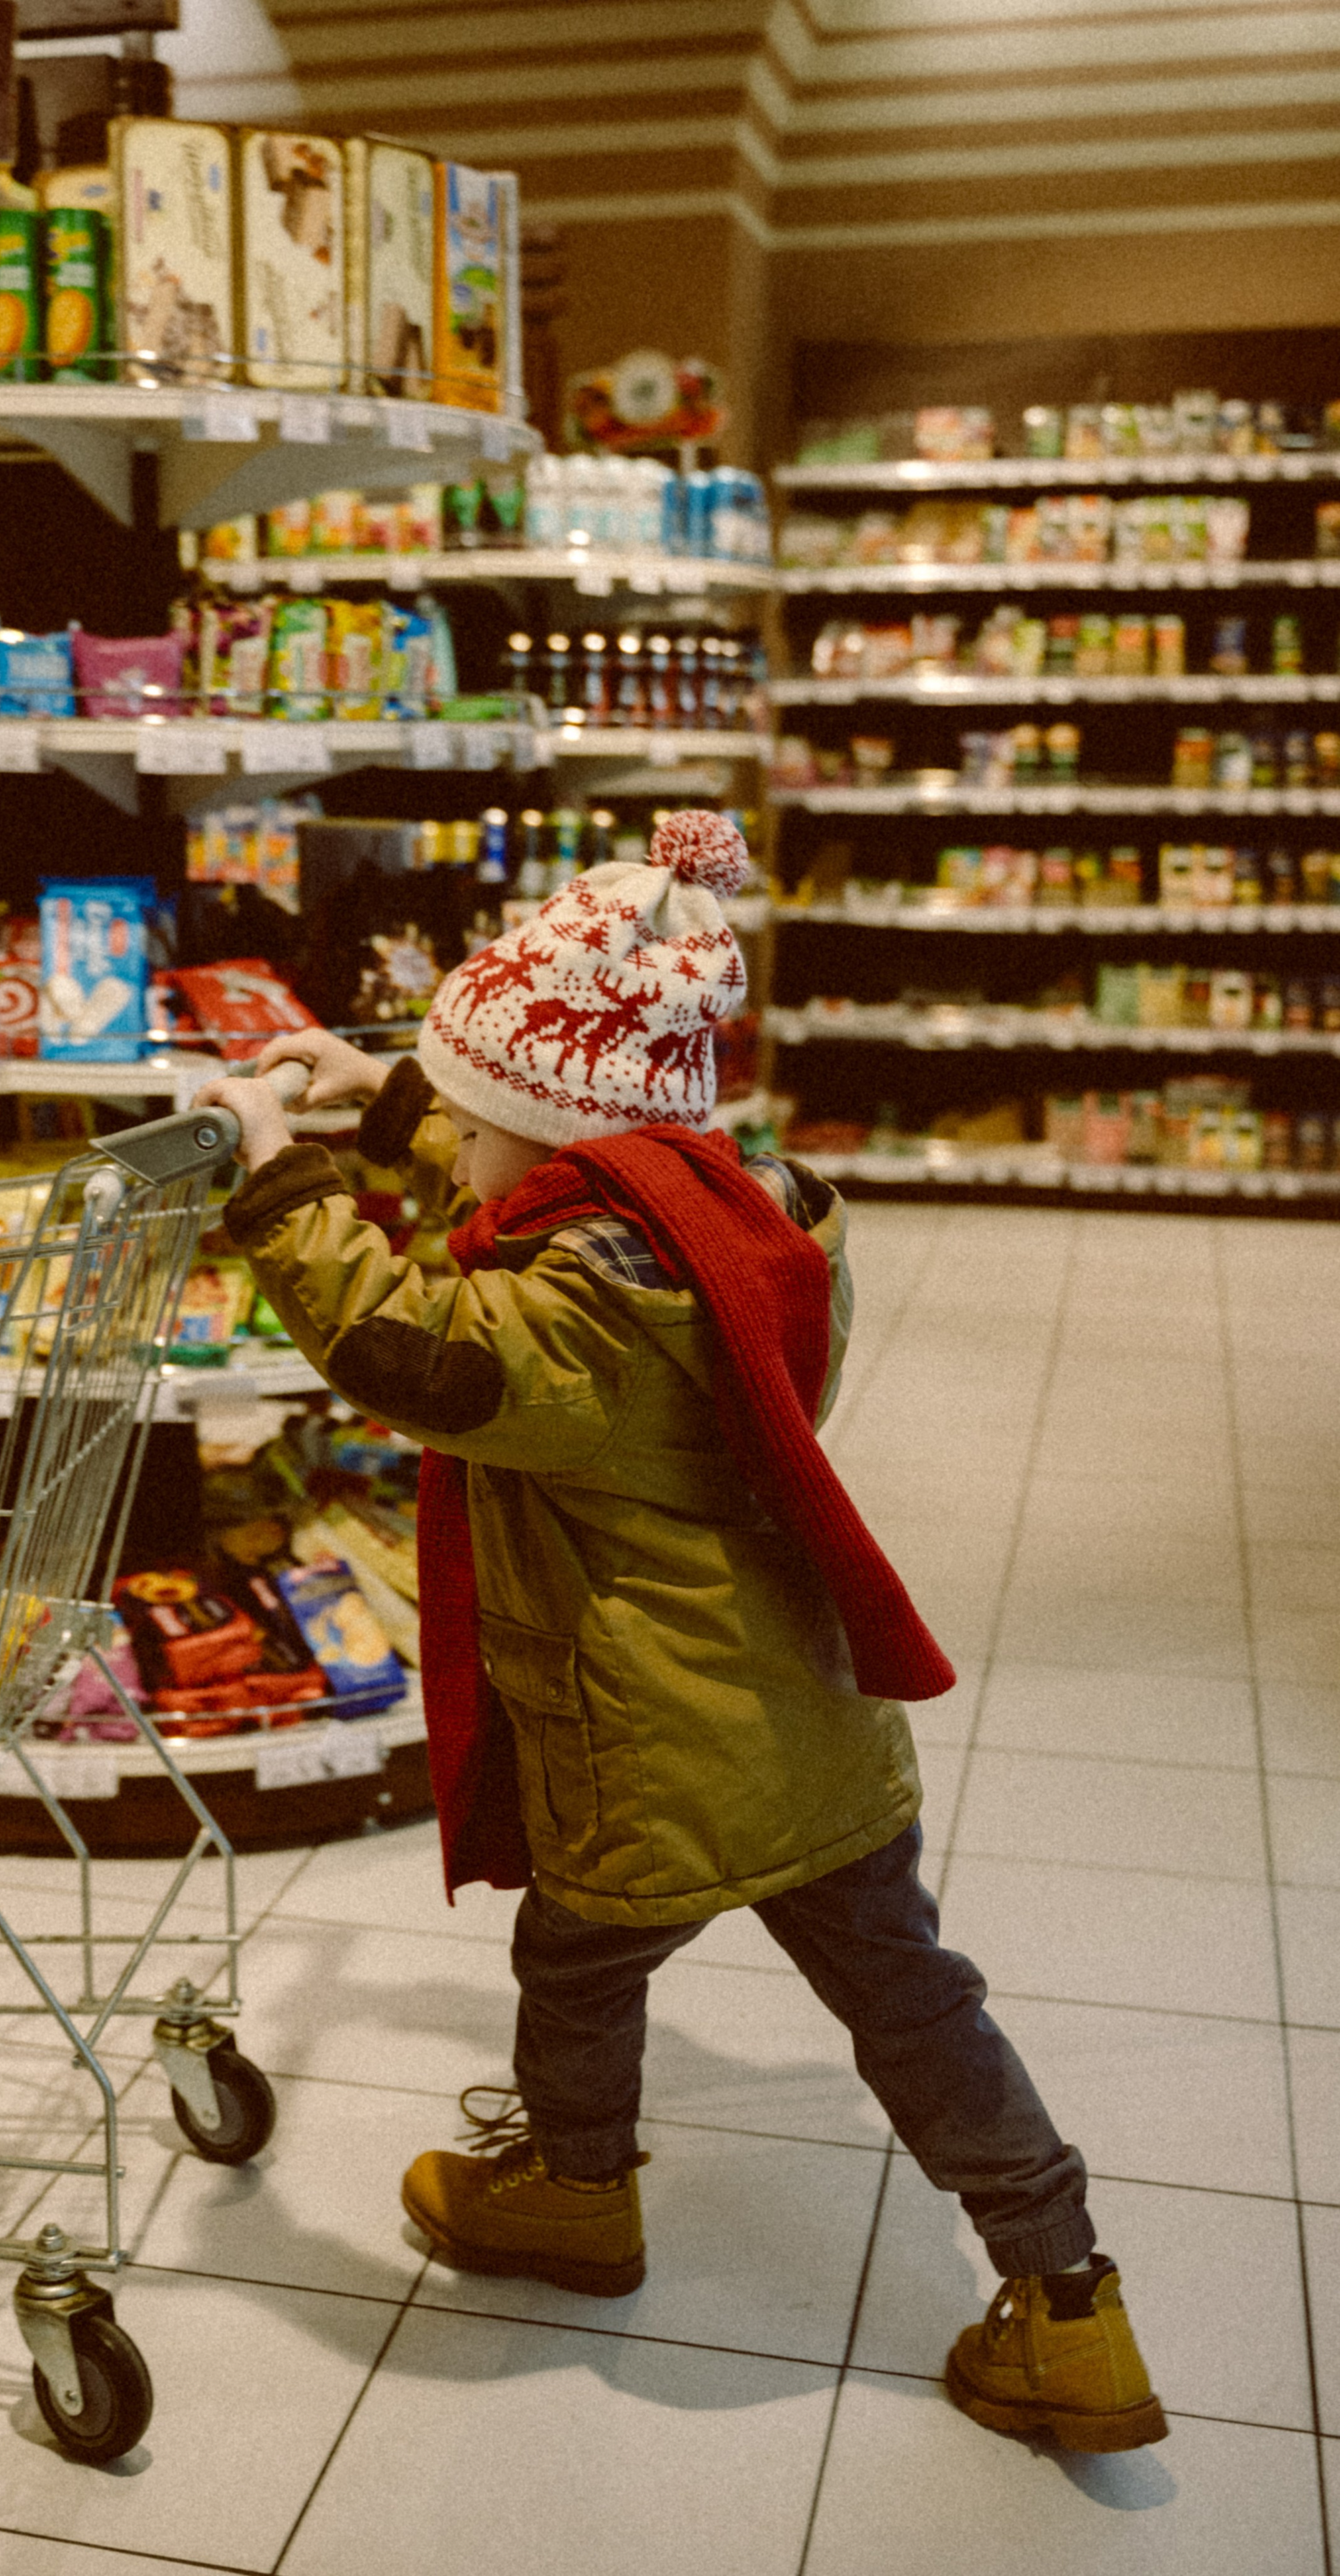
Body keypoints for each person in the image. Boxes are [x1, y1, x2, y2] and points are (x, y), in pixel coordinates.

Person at [201, 809, 1166, 2456]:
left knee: (574, 1963)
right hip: (807, 1722)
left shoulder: (577, 1317)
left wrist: (273, 1174)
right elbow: (569, 1151)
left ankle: (575, 2195)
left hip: (645, 1742)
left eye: (468, 1128)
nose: (452, 1164)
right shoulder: (746, 1222)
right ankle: (1066, 2296)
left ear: (551, 1141)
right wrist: (402, 1091)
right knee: (914, 1999)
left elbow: (414, 1352)